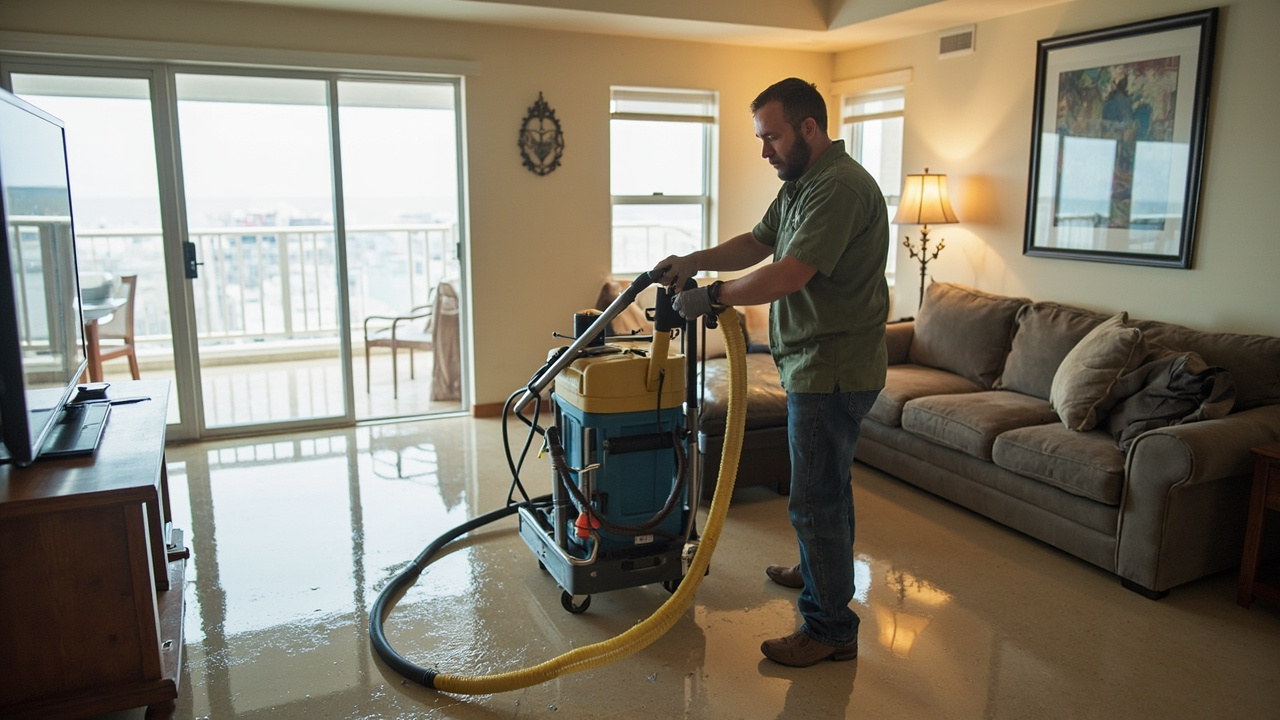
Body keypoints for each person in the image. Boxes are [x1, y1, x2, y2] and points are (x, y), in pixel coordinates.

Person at [651, 77, 888, 668]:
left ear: (809, 128)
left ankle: (830, 626)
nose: (765, 151)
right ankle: (818, 573)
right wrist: (697, 262)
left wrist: (716, 297)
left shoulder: (838, 189)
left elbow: (787, 274)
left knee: (814, 498)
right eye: (762, 138)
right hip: (814, 363)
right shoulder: (803, 183)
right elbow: (758, 243)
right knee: (826, 487)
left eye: (772, 137)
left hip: (832, 370)